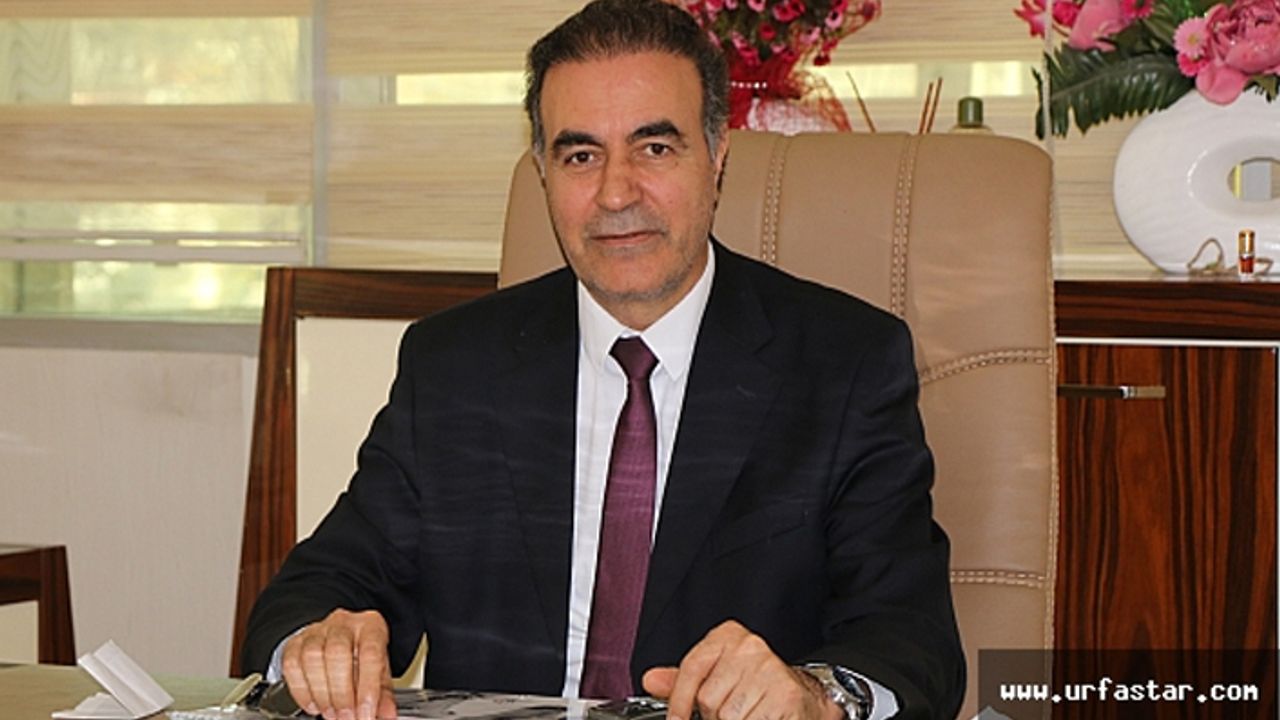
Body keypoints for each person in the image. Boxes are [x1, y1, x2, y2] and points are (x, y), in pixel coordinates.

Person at [241, 1, 964, 719]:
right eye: (581, 156)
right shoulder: (456, 367)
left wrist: (816, 694)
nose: (616, 193)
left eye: (655, 148)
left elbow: (911, 640)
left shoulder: (843, 366)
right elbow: (316, 591)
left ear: (717, 155)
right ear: (543, 172)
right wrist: (320, 643)